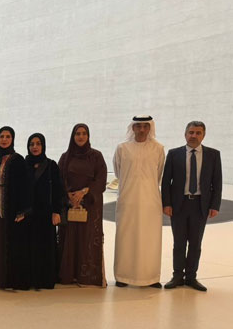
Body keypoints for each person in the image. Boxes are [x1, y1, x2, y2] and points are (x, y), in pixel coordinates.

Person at [162, 121, 222, 292]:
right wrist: (167, 203)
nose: (194, 136)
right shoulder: (174, 154)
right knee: (179, 243)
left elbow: (217, 182)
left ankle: (191, 277)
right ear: (185, 134)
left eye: (198, 133)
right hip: (179, 205)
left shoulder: (213, 155)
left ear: (203, 135)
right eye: (191, 132)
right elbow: (166, 182)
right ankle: (177, 276)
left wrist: (214, 205)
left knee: (195, 243)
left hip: (200, 205)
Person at [113, 115, 165, 288]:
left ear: (150, 128)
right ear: (133, 128)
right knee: (126, 237)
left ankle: (150, 277)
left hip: (150, 201)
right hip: (128, 200)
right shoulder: (122, 148)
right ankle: (123, 276)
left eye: (145, 126)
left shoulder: (158, 149)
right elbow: (118, 171)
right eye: (138, 126)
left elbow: (159, 174)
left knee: (150, 238)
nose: (142, 130)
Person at [0, 126, 31, 290]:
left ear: (12, 139)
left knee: (8, 240)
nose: (4, 140)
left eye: (8, 137)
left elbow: (24, 187)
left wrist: (22, 209)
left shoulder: (18, 160)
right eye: (1, 136)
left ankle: (9, 279)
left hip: (11, 206)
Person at [57, 123, 108, 287]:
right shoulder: (65, 157)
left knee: (87, 239)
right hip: (70, 205)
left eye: (84, 133)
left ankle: (86, 276)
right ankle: (69, 275)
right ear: (73, 136)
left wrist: (84, 192)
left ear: (88, 136)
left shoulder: (96, 156)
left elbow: (101, 179)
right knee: (69, 238)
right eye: (77, 134)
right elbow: (59, 180)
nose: (81, 136)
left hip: (90, 206)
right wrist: (69, 195)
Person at [24, 133, 65, 289]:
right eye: (32, 144)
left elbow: (57, 190)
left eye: (38, 144)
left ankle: (45, 279)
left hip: (46, 214)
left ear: (43, 146)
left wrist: (57, 211)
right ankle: (29, 279)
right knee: (28, 246)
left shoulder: (51, 166)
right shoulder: (23, 164)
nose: (35, 147)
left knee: (45, 247)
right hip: (28, 213)